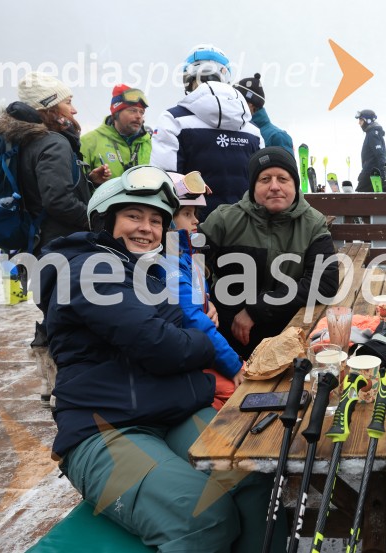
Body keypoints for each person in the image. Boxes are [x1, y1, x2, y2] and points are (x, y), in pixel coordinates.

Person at [37, 165, 285, 551]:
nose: (146, 228)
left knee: (252, 476)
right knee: (201, 516)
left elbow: (175, 336)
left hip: (171, 411)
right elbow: (162, 345)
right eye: (133, 216)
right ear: (106, 220)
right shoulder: (87, 268)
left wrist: (186, 338)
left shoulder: (148, 275)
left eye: (156, 221)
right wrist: (198, 341)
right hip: (105, 426)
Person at [0, 72, 110, 406]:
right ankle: (72, 390)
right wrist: (99, 223)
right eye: (68, 102)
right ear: (50, 108)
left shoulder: (26, 141)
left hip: (35, 246)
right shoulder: (53, 142)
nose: (75, 110)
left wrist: (85, 178)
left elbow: (42, 190)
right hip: (61, 247)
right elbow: (57, 201)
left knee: (57, 312)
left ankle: (52, 382)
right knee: (74, 318)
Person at [199, 146, 340, 358]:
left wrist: (256, 310)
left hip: (288, 334)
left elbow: (324, 283)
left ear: (295, 184)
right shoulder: (224, 219)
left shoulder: (313, 223)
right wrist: (204, 298)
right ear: (253, 186)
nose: (274, 186)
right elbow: (187, 260)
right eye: (265, 179)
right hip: (227, 338)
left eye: (283, 179)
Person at [151, 44, 261, 219]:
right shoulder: (253, 131)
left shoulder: (172, 119)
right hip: (246, 229)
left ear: (189, 77)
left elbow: (163, 183)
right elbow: (261, 187)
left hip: (191, 233)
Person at [168, 171, 244, 409]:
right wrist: (234, 365)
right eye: (187, 214)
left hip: (201, 351)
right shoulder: (168, 261)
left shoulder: (190, 253)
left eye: (195, 214)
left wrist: (209, 303)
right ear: (167, 219)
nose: (196, 221)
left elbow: (200, 291)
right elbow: (192, 318)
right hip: (186, 359)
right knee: (237, 394)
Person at [81, 84, 152, 179]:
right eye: (133, 110)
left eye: (141, 112)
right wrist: (92, 180)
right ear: (116, 114)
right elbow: (76, 185)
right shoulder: (88, 141)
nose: (139, 116)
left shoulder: (149, 142)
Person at [233, 73, 294, 155]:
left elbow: (287, 167)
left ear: (250, 104)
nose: (232, 104)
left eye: (236, 100)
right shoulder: (236, 129)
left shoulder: (277, 137)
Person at [355, 109, 386, 192]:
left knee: (357, 199)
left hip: (371, 173)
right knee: (366, 200)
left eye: (361, 120)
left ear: (368, 121)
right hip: (369, 172)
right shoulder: (371, 133)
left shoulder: (372, 134)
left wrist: (383, 174)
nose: (359, 123)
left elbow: (380, 154)